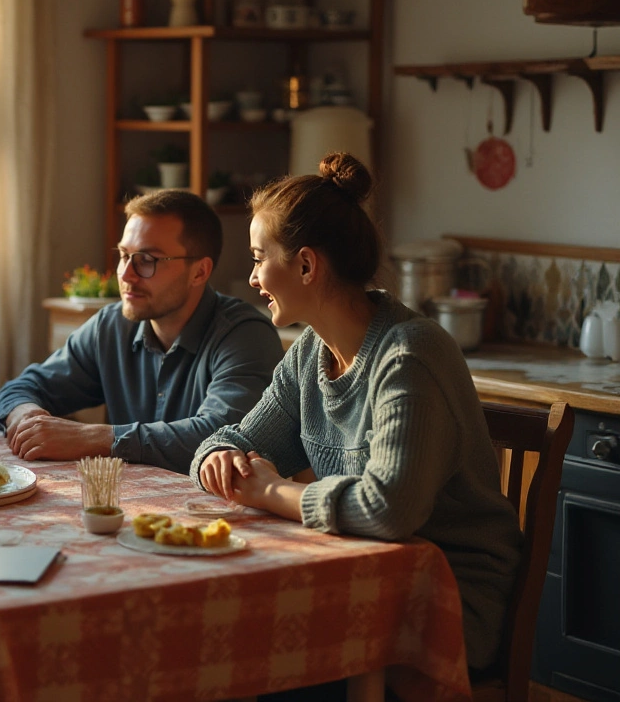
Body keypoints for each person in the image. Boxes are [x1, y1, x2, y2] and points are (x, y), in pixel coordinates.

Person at [192, 152, 521, 675]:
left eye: (258, 258)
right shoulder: (307, 352)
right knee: (225, 646)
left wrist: (268, 491)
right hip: (358, 582)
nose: (251, 277)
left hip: (446, 605)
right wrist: (222, 456)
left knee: (257, 656)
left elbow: (387, 510)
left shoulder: (410, 355)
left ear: (305, 264)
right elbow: (231, 437)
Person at [0, 189, 283, 471]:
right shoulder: (111, 326)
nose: (126, 275)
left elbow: (223, 435)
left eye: (147, 260)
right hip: (132, 511)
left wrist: (93, 438)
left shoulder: (246, 335)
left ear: (199, 272)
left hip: (216, 517)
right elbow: (21, 388)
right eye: (123, 255)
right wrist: (26, 416)